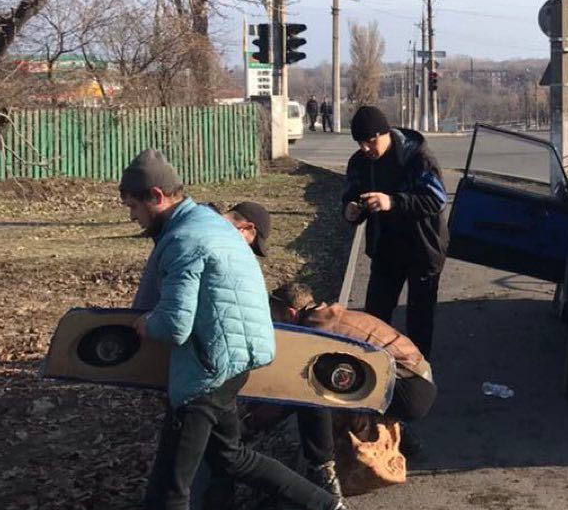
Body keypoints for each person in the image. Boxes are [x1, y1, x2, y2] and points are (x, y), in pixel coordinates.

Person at [119, 149, 343, 510]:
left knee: (168, 490)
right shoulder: (210, 225)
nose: (133, 217)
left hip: (206, 370)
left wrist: (147, 324)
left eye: (133, 207)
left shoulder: (183, 240)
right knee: (231, 458)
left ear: (157, 197)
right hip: (236, 359)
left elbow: (174, 325)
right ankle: (324, 504)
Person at [263, 282, 436, 457]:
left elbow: (287, 390)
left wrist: (252, 423)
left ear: (291, 314)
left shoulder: (316, 334)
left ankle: (322, 466)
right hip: (419, 378)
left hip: (406, 391)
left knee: (310, 390)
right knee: (343, 378)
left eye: (275, 318)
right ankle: (401, 432)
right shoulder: (331, 316)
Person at [341, 106, 448, 358]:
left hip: (423, 249)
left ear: (385, 133)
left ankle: (417, 372)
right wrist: (350, 211)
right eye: (360, 143)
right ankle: (375, 367)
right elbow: (350, 195)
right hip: (386, 249)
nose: (366, 148)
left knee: (419, 318)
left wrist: (393, 202)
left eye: (371, 141)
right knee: (375, 316)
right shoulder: (359, 163)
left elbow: (436, 199)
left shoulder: (418, 158)